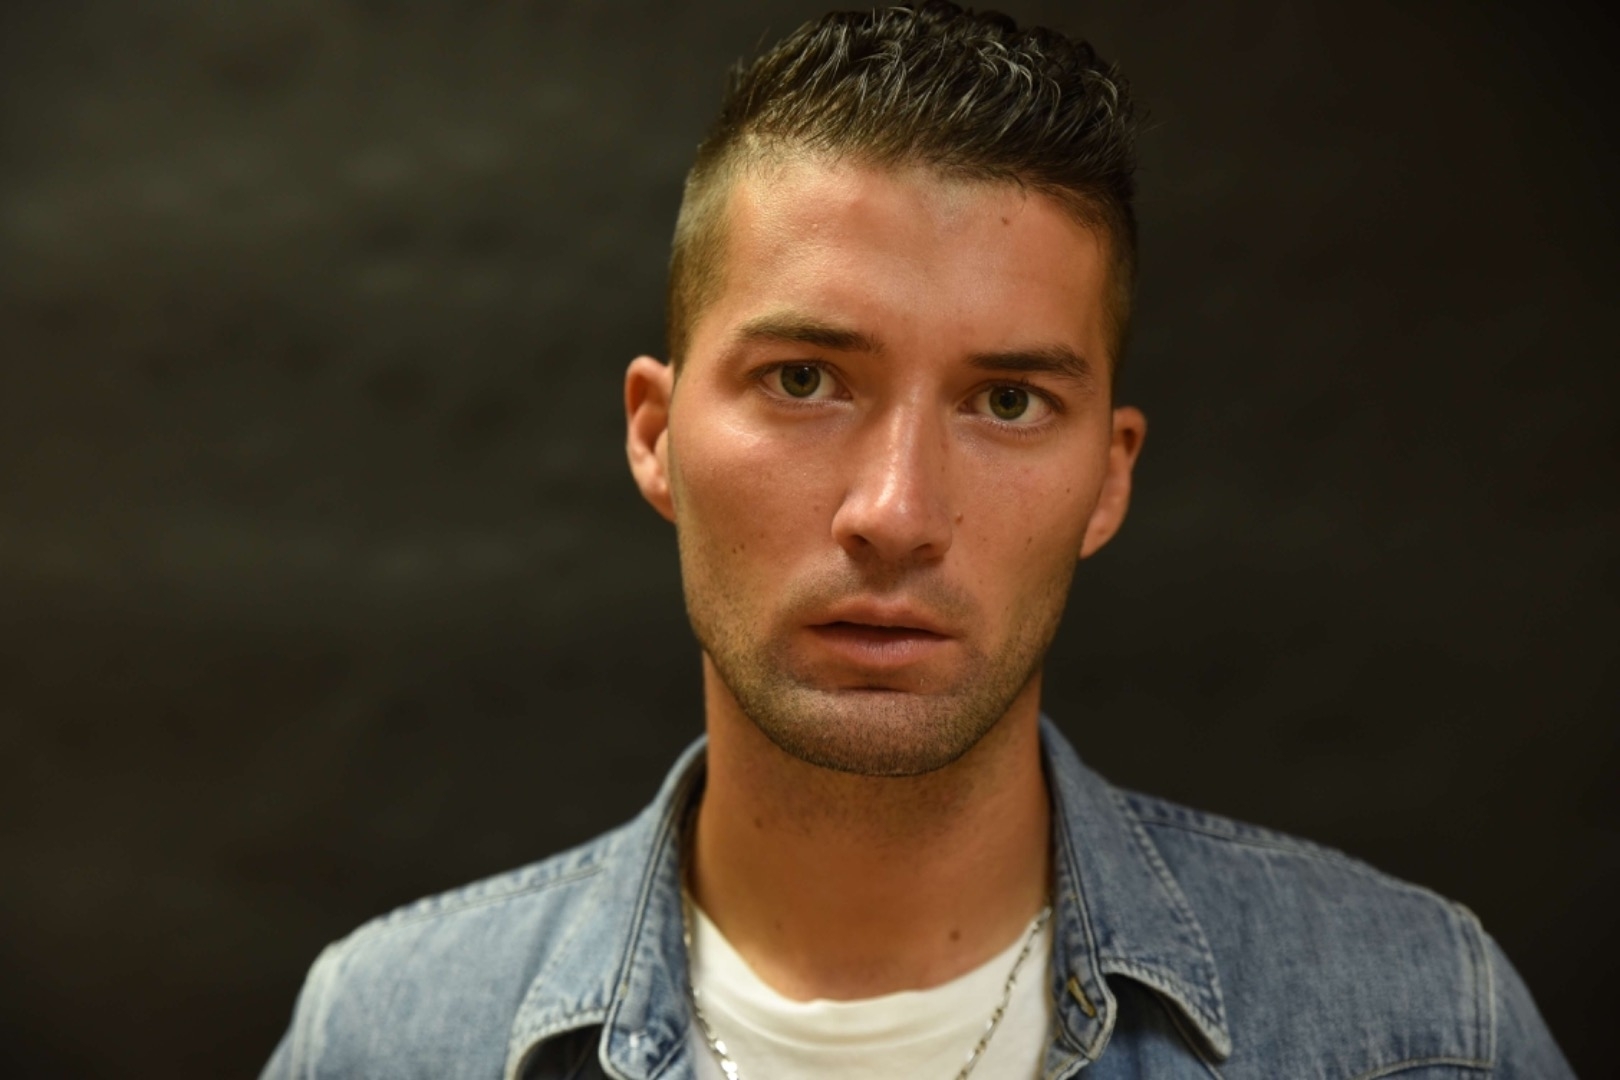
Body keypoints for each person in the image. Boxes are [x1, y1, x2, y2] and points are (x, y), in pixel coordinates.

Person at [262, 4, 1572, 1077]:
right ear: (655, 436)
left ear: (1108, 480)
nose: (894, 514)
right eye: (804, 381)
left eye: (1008, 403)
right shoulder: (388, 1039)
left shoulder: (1421, 1034)